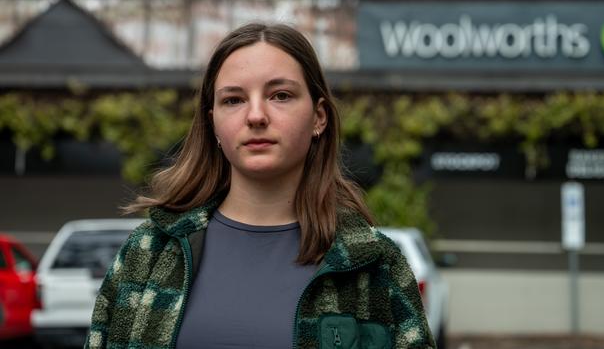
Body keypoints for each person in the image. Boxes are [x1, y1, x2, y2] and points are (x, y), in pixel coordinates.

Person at [85, 22, 435, 349]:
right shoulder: (149, 251)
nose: (255, 116)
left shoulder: (373, 263)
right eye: (233, 100)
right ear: (214, 124)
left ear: (319, 117)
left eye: (280, 95)